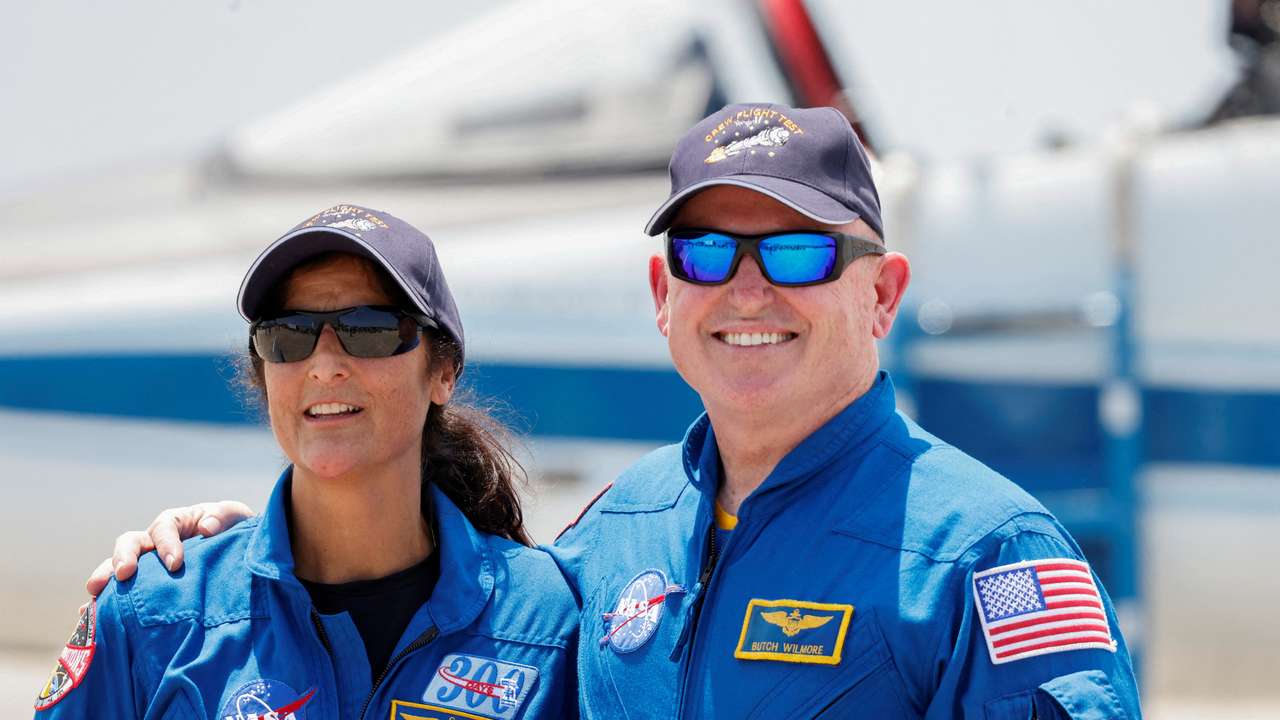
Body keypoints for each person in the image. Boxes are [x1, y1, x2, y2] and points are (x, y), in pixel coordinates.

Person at [87, 104, 1142, 718]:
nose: (745, 290)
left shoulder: (985, 555)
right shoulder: (608, 542)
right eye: (702, 253)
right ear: (660, 299)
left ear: (881, 293)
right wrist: (243, 550)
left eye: (798, 251)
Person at [38, 205, 578, 718]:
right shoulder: (153, 614)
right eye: (288, 334)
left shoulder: (548, 618)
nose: (323, 365)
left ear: (442, 373)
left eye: (368, 329)